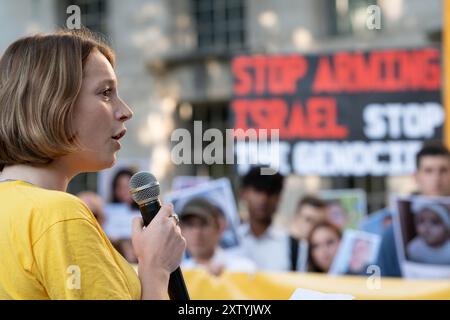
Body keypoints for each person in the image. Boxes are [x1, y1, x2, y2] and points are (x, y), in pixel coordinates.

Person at [0, 29, 185, 299]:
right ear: (52, 103)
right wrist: (156, 268)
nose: (126, 111)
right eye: (106, 92)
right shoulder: (60, 215)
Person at [376, 142, 450, 277]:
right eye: (428, 171)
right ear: (416, 177)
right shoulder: (394, 233)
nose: (436, 179)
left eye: (443, 170)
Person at [237, 166, 307, 271]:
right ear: (243, 193)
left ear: (280, 197)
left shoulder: (295, 247)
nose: (263, 199)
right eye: (258, 190)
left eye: (270, 192)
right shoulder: (226, 243)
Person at [179, 197, 256, 276]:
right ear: (181, 231)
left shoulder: (243, 269)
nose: (196, 232)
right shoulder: (180, 276)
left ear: (219, 227)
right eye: (190, 225)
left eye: (203, 224)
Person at [406, 200, 450, 265]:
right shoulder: (414, 248)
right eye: (421, 221)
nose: (427, 227)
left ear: (446, 228)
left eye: (434, 222)